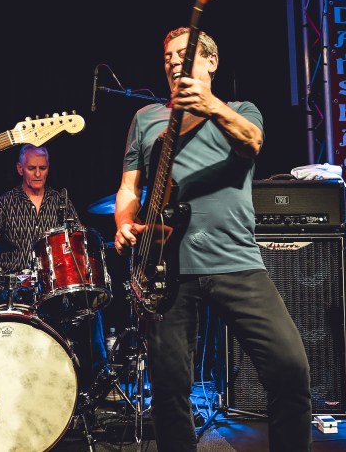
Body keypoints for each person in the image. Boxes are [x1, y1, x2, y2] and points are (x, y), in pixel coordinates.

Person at [114, 26, 313, 452]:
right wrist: (125, 220)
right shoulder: (146, 119)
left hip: (235, 261)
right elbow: (129, 186)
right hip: (166, 269)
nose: (173, 62)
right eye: (167, 56)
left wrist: (210, 106)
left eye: (183, 54)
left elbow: (252, 143)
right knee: (169, 391)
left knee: (290, 370)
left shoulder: (240, 110)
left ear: (211, 61)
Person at [0, 144, 108, 398]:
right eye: (31, 168)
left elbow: (77, 244)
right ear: (20, 169)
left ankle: (93, 385)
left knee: (90, 308)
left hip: (53, 286)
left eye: (43, 168)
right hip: (17, 288)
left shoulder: (61, 201)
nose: (38, 174)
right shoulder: (4, 203)